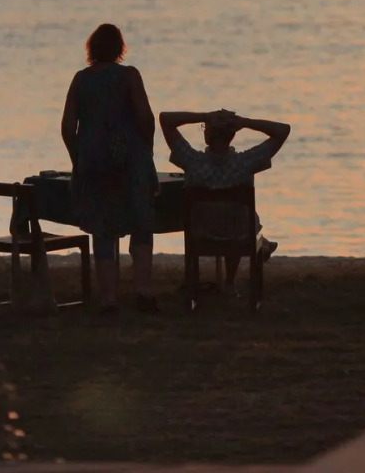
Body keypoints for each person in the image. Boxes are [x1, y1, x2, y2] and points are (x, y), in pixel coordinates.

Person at [61, 23, 159, 313]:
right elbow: (145, 117)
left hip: (92, 157)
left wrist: (77, 157)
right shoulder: (129, 76)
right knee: (141, 223)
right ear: (119, 49)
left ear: (91, 49)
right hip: (130, 157)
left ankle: (108, 299)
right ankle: (142, 291)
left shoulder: (80, 80)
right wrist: (147, 150)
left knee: (102, 228)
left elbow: (68, 127)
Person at [159, 109, 289, 288]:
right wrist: (245, 122)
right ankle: (230, 281)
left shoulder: (192, 161)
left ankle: (256, 251)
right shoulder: (245, 163)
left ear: (208, 135)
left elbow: (165, 119)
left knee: (227, 217)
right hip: (239, 235)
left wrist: (205, 117)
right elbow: (283, 130)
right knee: (234, 218)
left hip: (201, 233)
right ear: (232, 136)